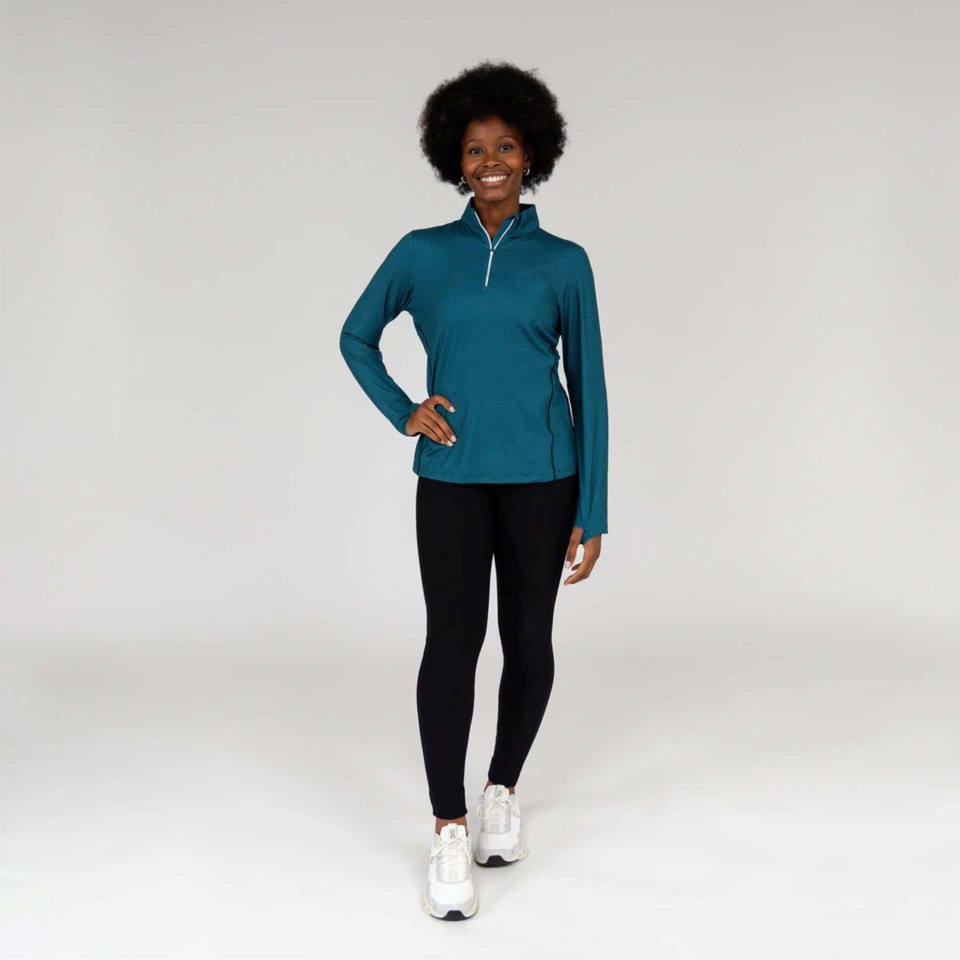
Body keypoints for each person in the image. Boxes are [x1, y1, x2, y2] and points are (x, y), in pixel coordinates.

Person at [338, 59, 609, 921]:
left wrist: (594, 508)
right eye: (474, 149)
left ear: (533, 157)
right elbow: (355, 337)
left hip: (546, 480)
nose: (491, 161)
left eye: (507, 147)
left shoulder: (564, 263)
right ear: (455, 163)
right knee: (452, 644)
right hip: (452, 480)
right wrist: (404, 411)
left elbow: (590, 386)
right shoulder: (423, 254)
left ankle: (501, 793)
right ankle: (449, 826)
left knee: (528, 640)